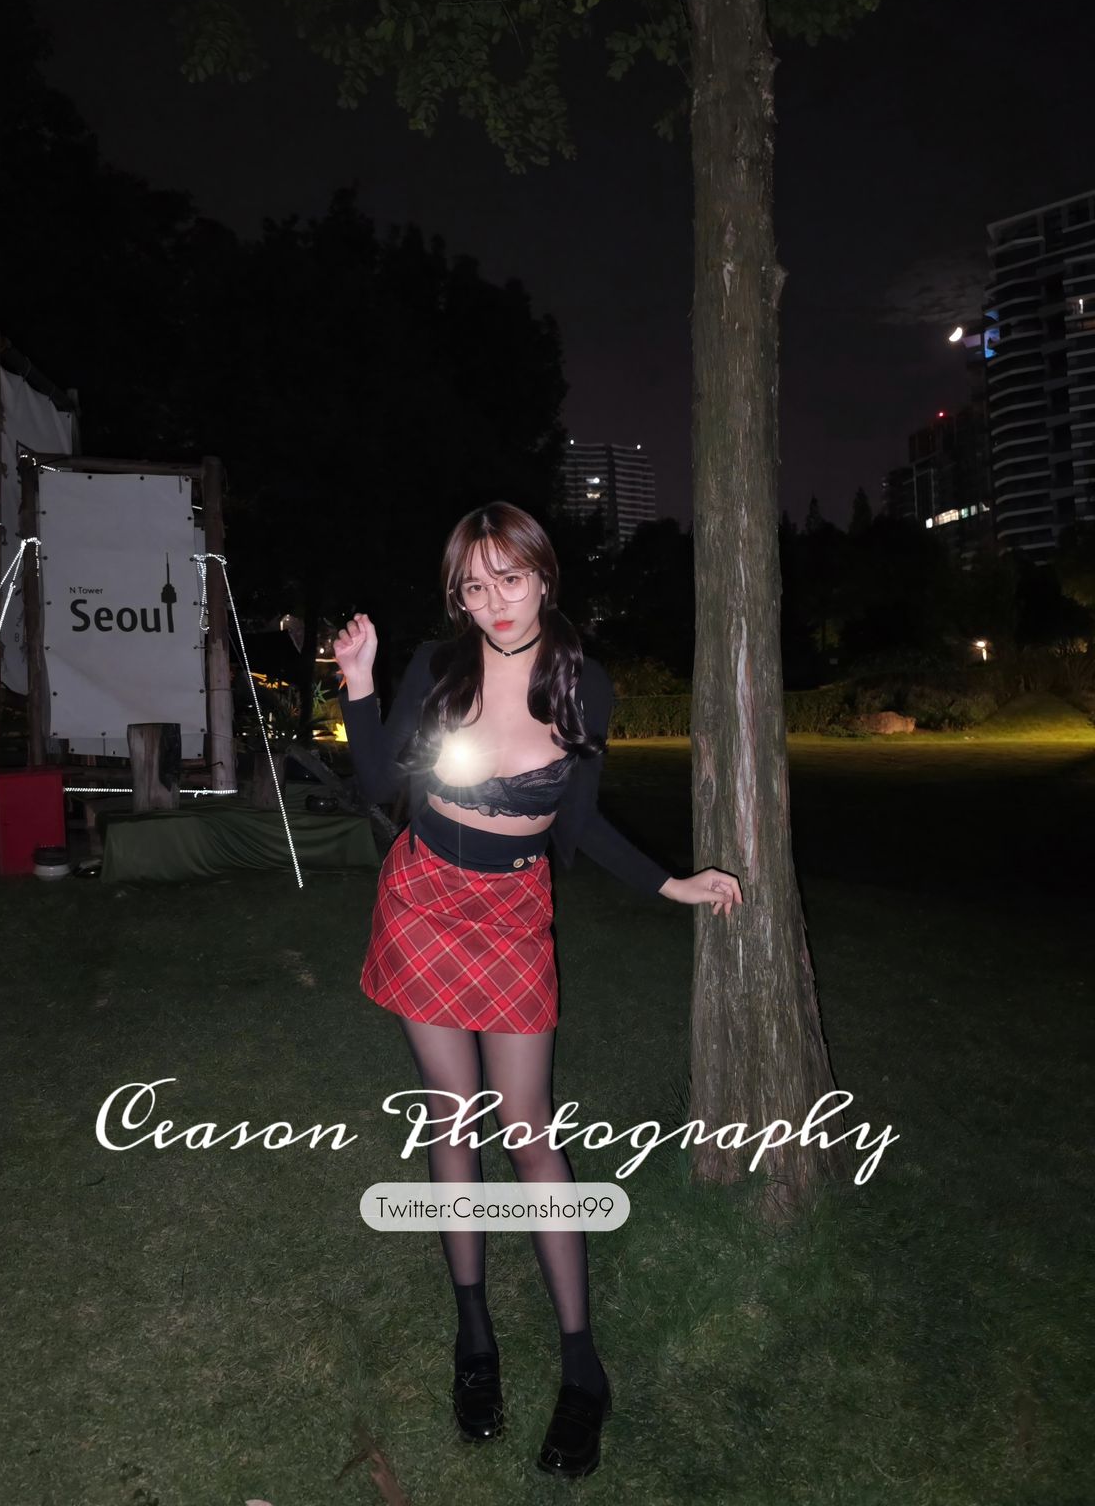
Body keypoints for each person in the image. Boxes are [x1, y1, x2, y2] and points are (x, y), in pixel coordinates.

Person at [333, 502, 742, 1480]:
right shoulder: (439, 668)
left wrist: (668, 883)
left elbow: (579, 824)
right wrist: (359, 686)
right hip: (424, 900)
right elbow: (379, 786)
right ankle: (474, 1334)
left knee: (529, 1129)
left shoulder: (582, 684)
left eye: (509, 578)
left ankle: (581, 1363)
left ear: (544, 576)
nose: (495, 602)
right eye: (474, 586)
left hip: (514, 915)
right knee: (452, 1114)